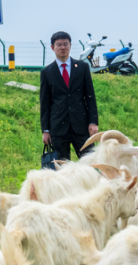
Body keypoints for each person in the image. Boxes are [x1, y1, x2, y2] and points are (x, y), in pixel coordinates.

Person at [41, 30, 99, 165]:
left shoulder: (82, 68)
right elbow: (45, 103)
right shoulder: (47, 72)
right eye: (59, 45)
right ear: (52, 47)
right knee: (62, 168)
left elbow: (90, 97)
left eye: (66, 44)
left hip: (81, 126)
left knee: (91, 164)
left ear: (70, 46)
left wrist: (93, 122)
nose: (63, 47)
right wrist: (46, 130)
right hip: (58, 128)